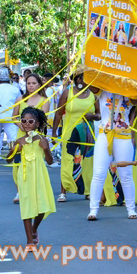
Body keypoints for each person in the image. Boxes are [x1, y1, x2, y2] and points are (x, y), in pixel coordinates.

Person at [87, 88, 137, 220]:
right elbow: (90, 83)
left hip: (124, 136)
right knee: (99, 172)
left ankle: (131, 209)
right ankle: (93, 210)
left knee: (126, 174)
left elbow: (136, 99)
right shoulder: (102, 89)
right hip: (104, 135)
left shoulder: (131, 88)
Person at [7, 108, 55, 246]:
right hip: (25, 177)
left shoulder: (42, 139)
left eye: (30, 121)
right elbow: (9, 160)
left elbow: (50, 161)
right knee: (27, 206)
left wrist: (46, 149)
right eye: (24, 121)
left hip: (40, 175)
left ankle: (34, 229)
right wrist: (13, 150)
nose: (27, 124)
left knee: (42, 205)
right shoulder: (19, 141)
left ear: (37, 124)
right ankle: (29, 240)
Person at [52, 72, 100, 201]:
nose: (80, 80)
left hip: (87, 133)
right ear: (74, 79)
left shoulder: (93, 96)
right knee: (68, 160)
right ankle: (64, 191)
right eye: (78, 77)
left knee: (87, 161)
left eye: (83, 78)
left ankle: (88, 191)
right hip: (69, 132)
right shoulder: (67, 93)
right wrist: (54, 132)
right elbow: (58, 113)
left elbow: (99, 115)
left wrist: (93, 116)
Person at [0, 68, 23, 170]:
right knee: (13, 139)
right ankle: (16, 161)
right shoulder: (15, 89)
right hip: (10, 117)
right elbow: (20, 103)